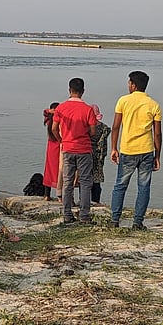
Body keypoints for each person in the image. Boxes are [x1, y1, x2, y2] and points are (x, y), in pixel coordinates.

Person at [109, 71, 162, 230]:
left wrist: (113, 148)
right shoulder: (154, 104)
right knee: (144, 187)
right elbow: (157, 133)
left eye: (129, 83)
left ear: (133, 85)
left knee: (120, 185)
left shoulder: (123, 101)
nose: (128, 85)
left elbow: (116, 126)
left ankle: (114, 220)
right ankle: (138, 222)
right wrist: (157, 156)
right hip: (146, 150)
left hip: (128, 149)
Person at [52, 78, 97, 225]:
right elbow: (93, 131)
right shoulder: (88, 109)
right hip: (84, 149)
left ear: (69, 90)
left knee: (68, 182)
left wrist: (61, 140)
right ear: (83, 91)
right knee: (85, 182)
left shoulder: (61, 108)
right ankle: (84, 215)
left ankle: (67, 214)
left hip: (67, 148)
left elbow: (54, 128)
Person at [90, 105, 111, 204]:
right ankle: (96, 201)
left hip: (87, 155)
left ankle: (84, 201)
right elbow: (104, 146)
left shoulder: (87, 127)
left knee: (85, 180)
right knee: (96, 181)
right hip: (99, 157)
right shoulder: (104, 128)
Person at [42, 103, 61, 201]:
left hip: (50, 147)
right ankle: (60, 196)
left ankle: (47, 195)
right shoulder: (57, 120)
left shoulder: (49, 119)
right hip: (58, 145)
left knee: (49, 170)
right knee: (60, 170)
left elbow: (45, 111)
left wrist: (52, 111)